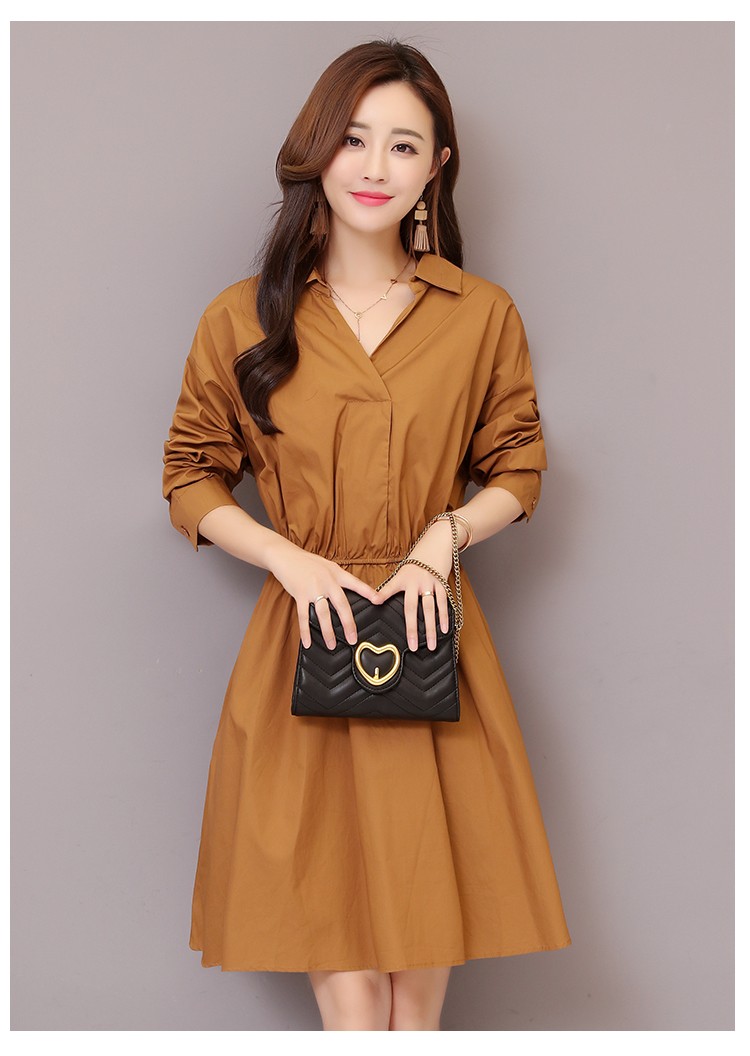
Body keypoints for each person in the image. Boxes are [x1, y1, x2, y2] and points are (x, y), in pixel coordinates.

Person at [162, 39, 571, 1031]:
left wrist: (445, 537)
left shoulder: (479, 316)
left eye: (403, 145)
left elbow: (519, 465)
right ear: (318, 151)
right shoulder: (242, 318)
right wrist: (286, 558)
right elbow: (188, 474)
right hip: (306, 643)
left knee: (412, 1009)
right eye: (353, 139)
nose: (375, 167)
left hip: (432, 644)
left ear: (437, 167)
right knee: (350, 1002)